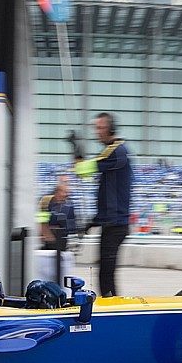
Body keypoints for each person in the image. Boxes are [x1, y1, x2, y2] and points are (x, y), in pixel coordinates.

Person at [75, 112, 133, 297]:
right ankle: (112, 304)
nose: (96, 132)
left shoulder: (116, 150)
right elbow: (106, 194)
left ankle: (114, 309)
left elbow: (83, 170)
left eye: (99, 128)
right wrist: (93, 222)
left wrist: (77, 151)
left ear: (110, 128)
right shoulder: (114, 151)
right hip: (111, 223)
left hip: (115, 225)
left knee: (106, 273)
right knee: (105, 271)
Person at [37, 181, 77, 251]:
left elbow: (71, 224)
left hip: (62, 237)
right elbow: (41, 220)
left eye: (67, 192)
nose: (67, 195)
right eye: (65, 192)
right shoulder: (46, 201)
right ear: (57, 192)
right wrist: (47, 235)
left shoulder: (69, 204)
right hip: (48, 236)